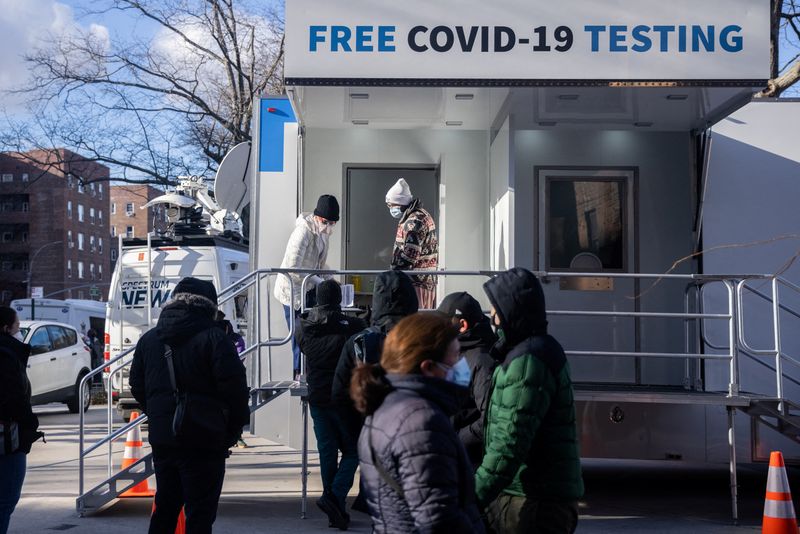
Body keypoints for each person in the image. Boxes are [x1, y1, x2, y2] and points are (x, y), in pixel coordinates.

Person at [130, 277, 250, 534]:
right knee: (200, 515)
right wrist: (231, 431)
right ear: (210, 307)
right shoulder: (216, 339)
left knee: (165, 508)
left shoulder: (149, 340)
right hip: (205, 440)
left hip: (164, 439)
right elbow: (236, 391)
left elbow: (137, 386)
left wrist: (162, 414)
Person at [350, 312, 485, 533]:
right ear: (428, 367)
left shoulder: (388, 407)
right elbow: (438, 520)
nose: (462, 365)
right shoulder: (422, 423)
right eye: (455, 356)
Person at [475, 268, 583, 534]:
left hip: (531, 502)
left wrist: (471, 497)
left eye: (496, 309)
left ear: (512, 309)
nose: (492, 316)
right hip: (531, 497)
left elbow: (509, 443)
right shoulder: (531, 351)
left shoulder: (528, 361)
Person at [331, 270, 418, 514]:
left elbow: (339, 394)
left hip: (373, 438)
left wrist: (357, 435)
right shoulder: (425, 339)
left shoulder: (359, 342)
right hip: (417, 441)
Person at [295, 280, 366, 530]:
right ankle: (334, 498)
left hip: (318, 397)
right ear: (339, 299)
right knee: (353, 451)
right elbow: (363, 335)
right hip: (344, 399)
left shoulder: (304, 326)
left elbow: (305, 345)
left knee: (327, 452)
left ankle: (332, 506)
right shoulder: (352, 326)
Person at [274, 194, 340, 378]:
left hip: (308, 287)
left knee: (311, 333)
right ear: (317, 217)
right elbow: (293, 267)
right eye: (326, 221)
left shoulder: (323, 234)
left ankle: (309, 370)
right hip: (292, 292)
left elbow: (318, 264)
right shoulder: (302, 232)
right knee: (298, 335)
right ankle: (298, 373)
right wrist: (318, 280)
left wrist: (331, 278)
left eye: (333, 223)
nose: (329, 226)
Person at [437, 291, 498, 468]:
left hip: (469, 460)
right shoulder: (461, 352)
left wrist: (456, 439)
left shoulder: (481, 359)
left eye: (444, 323)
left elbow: (489, 417)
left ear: (462, 325)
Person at [0, 307, 43, 534]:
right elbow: (15, 399)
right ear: (7, 328)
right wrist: (30, 424)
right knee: (5, 500)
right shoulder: (7, 355)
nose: (19, 331)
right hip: (8, 440)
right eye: (17, 326)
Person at [385, 178, 439, 309]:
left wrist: (391, 275)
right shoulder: (422, 214)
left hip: (416, 286)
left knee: (415, 325)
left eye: (391, 205)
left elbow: (409, 256)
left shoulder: (414, 222)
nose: (390, 209)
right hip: (425, 283)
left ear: (400, 204)